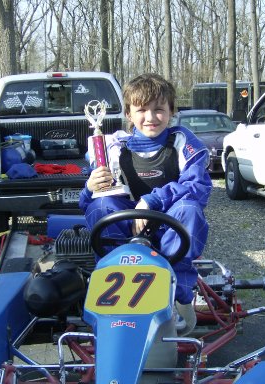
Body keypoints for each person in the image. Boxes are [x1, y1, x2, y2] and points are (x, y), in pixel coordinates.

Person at [79, 73, 212, 326]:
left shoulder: (182, 143)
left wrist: (152, 200)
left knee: (189, 207)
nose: (150, 117)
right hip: (127, 229)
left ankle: (180, 298)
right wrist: (89, 187)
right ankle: (109, 288)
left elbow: (199, 187)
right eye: (141, 110)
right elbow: (86, 206)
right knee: (101, 206)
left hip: (170, 226)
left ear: (172, 111)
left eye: (159, 109)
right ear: (129, 114)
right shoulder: (114, 147)